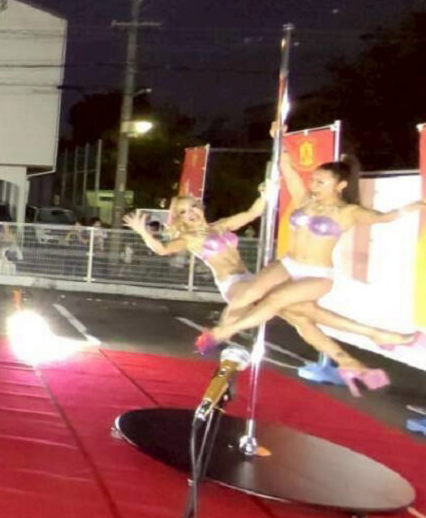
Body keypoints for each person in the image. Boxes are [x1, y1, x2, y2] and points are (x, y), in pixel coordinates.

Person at [124, 191, 418, 390]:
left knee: (303, 315)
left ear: (201, 208)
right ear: (178, 218)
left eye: (193, 207)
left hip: (251, 279)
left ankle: (350, 361)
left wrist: (266, 193)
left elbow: (253, 212)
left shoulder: (220, 226)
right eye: (183, 212)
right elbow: (162, 249)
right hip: (235, 287)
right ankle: (376, 337)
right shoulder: (189, 239)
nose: (190, 214)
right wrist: (142, 232)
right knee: (301, 311)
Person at [201, 155, 425, 392]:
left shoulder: (348, 211)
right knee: (274, 306)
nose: (314, 186)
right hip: (287, 264)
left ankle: (223, 332)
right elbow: (288, 170)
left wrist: (411, 207)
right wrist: (281, 144)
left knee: (275, 301)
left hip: (316, 274)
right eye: (313, 180)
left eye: (321, 182)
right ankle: (356, 357)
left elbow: (384, 217)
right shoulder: (305, 199)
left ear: (341, 185)